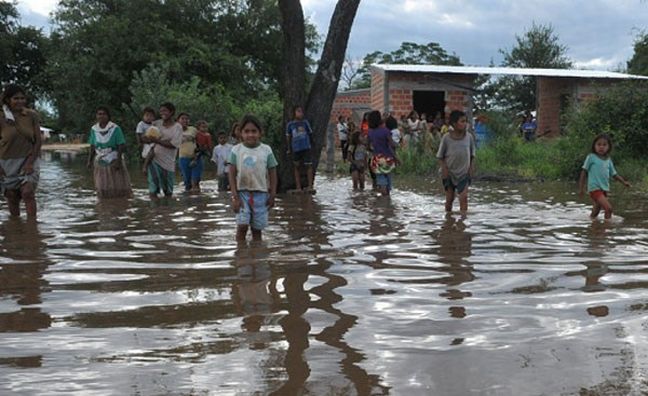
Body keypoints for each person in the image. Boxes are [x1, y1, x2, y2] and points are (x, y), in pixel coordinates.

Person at [229, 114, 278, 241]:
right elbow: (231, 173)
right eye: (246, 131)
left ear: (260, 132)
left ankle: (256, 257)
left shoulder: (266, 150)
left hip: (261, 195)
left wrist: (272, 194)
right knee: (242, 226)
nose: (250, 135)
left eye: (254, 131)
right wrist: (234, 196)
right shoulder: (236, 150)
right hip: (241, 194)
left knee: (257, 230)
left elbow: (272, 172)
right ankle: (240, 256)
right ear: (240, 133)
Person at [0, 84, 41, 218]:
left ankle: (32, 229)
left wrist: (30, 163)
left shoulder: (31, 115)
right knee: (12, 196)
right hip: (6, 162)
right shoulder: (1, 117)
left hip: (28, 159)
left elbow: (38, 142)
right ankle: (16, 229)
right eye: (16, 98)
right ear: (7, 100)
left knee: (27, 192)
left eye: (22, 98)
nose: (20, 101)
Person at [578, 133, 630, 219]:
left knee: (595, 212)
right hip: (594, 188)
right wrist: (581, 189)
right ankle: (607, 229)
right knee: (608, 209)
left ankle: (593, 227)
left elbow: (614, 174)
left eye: (604, 145)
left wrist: (624, 182)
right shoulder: (591, 157)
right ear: (594, 146)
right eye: (599, 144)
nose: (601, 147)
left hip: (604, 189)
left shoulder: (608, 160)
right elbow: (584, 172)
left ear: (609, 147)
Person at [86, 106, 132, 199]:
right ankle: (104, 205)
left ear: (108, 116)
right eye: (99, 114)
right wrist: (89, 161)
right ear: (96, 116)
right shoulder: (94, 129)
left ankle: (118, 204)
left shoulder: (115, 128)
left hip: (114, 160)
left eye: (104, 114)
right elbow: (92, 146)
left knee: (118, 184)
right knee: (102, 185)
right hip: (100, 161)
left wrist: (118, 161)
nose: (101, 116)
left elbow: (121, 145)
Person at [141, 102, 183, 200]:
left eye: (165, 111)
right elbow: (145, 137)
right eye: (160, 111)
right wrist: (147, 139)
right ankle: (155, 213)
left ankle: (166, 213)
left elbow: (173, 145)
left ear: (171, 112)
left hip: (168, 162)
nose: (162, 113)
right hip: (154, 159)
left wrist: (157, 140)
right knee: (153, 190)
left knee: (168, 192)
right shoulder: (156, 123)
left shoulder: (177, 127)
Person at [437, 110, 475, 213]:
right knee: (450, 199)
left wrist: (471, 169)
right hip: (449, 173)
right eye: (462, 121)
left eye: (466, 121)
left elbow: (472, 155)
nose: (465, 124)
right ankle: (448, 219)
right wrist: (444, 170)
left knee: (464, 198)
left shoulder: (469, 137)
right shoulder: (446, 138)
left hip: (464, 173)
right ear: (454, 124)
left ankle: (462, 223)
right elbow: (440, 156)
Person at [367, 110, 398, 196]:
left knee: (381, 179)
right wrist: (397, 145)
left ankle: (384, 202)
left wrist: (374, 151)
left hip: (376, 159)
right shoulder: (385, 131)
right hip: (388, 158)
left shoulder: (370, 132)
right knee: (388, 178)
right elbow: (392, 144)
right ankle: (387, 202)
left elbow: (367, 146)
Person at [285, 105, 314, 191]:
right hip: (296, 148)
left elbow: (310, 133)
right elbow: (288, 137)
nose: (300, 113)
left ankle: (310, 186)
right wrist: (289, 148)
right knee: (296, 166)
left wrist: (311, 144)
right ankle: (298, 187)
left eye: (301, 111)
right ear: (294, 113)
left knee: (308, 165)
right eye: (298, 111)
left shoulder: (305, 123)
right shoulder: (290, 124)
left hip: (306, 147)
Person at [177, 113, 199, 192]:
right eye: (182, 118)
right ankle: (188, 201)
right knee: (187, 182)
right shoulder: (175, 131)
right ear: (178, 120)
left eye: (187, 119)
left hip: (195, 158)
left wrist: (197, 157)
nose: (185, 120)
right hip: (183, 158)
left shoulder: (193, 129)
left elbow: (199, 143)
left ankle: (197, 199)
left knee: (196, 180)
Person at [191, 120, 213, 192]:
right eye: (202, 127)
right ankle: (195, 185)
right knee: (196, 166)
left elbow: (209, 145)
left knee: (199, 168)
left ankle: (196, 185)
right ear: (198, 127)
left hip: (203, 150)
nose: (204, 129)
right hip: (197, 150)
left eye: (205, 127)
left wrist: (210, 153)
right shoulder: (196, 134)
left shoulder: (207, 135)